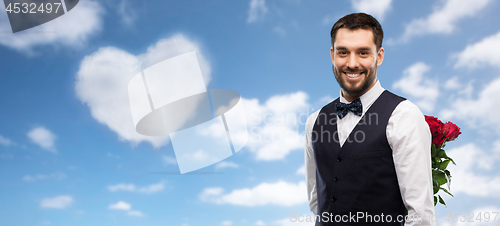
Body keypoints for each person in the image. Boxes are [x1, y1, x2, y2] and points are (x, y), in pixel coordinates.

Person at [304, 13, 434, 225]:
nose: (352, 63)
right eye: (343, 52)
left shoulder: (404, 115)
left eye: (363, 53)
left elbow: (420, 214)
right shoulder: (314, 121)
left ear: (379, 56)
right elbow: (316, 201)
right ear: (332, 55)